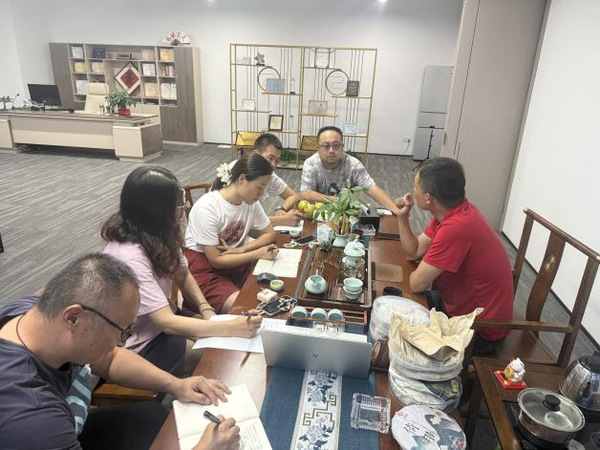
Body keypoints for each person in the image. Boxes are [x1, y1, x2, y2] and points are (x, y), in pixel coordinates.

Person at [0, 253, 240, 450]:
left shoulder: (38, 312)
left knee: (153, 417)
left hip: (70, 420)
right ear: (73, 317)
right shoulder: (31, 416)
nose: (122, 343)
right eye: (122, 331)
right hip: (51, 428)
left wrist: (176, 384)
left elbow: (109, 358)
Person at [102, 166, 262, 376]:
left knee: (227, 341)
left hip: (160, 321)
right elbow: (166, 323)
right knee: (217, 356)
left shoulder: (156, 233)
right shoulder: (130, 256)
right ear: (156, 211)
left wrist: (205, 308)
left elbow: (183, 274)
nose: (182, 210)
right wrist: (231, 327)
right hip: (139, 341)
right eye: (178, 205)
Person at [395, 157, 513, 355]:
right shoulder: (452, 211)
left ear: (428, 198)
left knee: (398, 329)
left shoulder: (456, 227)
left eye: (415, 186)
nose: (412, 190)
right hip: (457, 308)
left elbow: (417, 284)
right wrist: (402, 217)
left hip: (479, 331)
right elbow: (413, 252)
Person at [185, 153, 279, 313]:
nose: (262, 194)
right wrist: (256, 253)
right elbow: (216, 260)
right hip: (205, 270)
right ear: (242, 179)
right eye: (260, 187)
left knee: (271, 295)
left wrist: (240, 249)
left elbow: (269, 233)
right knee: (245, 306)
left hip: (234, 264)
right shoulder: (207, 206)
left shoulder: (250, 203)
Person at [300, 125, 400, 213]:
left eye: (336, 145)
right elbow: (306, 193)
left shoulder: (353, 164)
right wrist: (336, 200)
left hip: (344, 213)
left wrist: (395, 209)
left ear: (342, 147)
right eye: (326, 146)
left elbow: (371, 188)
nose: (331, 150)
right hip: (316, 212)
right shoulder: (311, 163)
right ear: (318, 148)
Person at [230, 133, 302, 227]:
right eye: (270, 158)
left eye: (277, 161)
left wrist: (281, 209)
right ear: (256, 154)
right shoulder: (235, 170)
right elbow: (237, 220)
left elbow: (294, 196)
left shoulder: (269, 175)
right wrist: (281, 220)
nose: (273, 165)